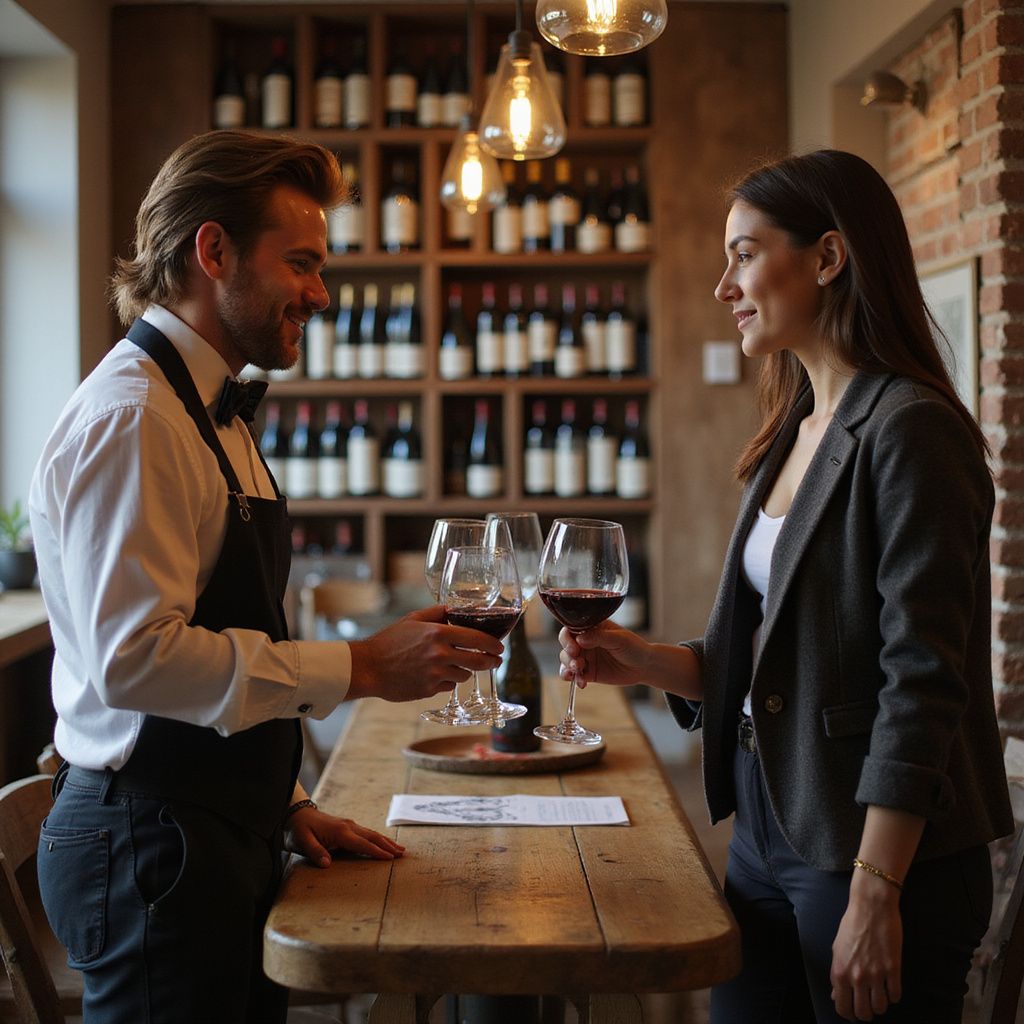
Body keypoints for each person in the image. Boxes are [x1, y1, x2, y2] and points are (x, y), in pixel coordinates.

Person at [27, 130, 503, 1024]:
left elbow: (216, 633)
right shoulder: (134, 419)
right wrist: (357, 667)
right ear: (214, 252)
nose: (320, 294)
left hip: (209, 826)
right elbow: (137, 662)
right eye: (302, 264)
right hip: (149, 848)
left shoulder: (210, 413)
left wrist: (282, 802)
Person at [558, 149, 1014, 1023]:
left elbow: (922, 679)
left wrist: (878, 890)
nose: (725, 284)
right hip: (772, 823)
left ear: (828, 257)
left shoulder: (911, 431)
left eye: (744, 252)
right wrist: (646, 661)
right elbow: (785, 661)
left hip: (871, 844)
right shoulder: (797, 427)